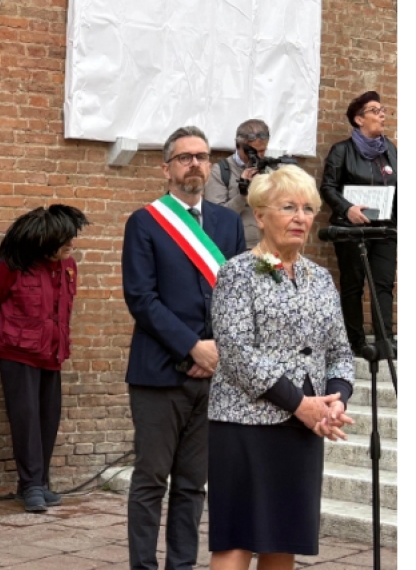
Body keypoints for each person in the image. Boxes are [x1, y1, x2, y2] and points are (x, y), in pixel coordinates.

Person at [208, 165, 355, 569]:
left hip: (301, 428)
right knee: (236, 540)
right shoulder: (238, 273)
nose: (300, 217)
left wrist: (336, 399)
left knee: (281, 540)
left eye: (308, 208)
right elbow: (237, 353)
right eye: (288, 207)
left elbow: (340, 352)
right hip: (245, 423)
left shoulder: (321, 279)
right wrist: (300, 404)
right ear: (259, 215)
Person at [122, 126, 246, 570]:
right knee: (151, 479)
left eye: (201, 156)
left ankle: (181, 565)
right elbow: (142, 298)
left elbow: (237, 297)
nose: (194, 163)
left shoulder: (228, 223)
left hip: (213, 377)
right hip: (159, 373)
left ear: (210, 166)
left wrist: (216, 354)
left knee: (193, 484)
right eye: (184, 157)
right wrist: (192, 348)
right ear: (167, 168)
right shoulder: (144, 223)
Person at [0, 205, 89, 513]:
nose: (71, 246)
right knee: (26, 421)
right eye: (65, 241)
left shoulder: (68, 267)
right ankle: (31, 487)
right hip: (18, 354)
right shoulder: (14, 266)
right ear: (47, 241)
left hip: (52, 355)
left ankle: (40, 480)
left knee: (47, 420)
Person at [319, 91, 397, 356]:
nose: (382, 115)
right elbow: (328, 188)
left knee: (383, 284)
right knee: (353, 285)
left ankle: (385, 341)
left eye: (383, 110)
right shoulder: (342, 150)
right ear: (359, 119)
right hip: (352, 231)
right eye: (375, 110)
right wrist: (347, 208)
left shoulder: (391, 151)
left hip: (385, 230)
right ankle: (355, 342)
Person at [205, 119, 271, 250]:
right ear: (237, 145)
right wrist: (242, 195)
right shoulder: (221, 170)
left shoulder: (270, 168)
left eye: (262, 151)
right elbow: (214, 217)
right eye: (252, 152)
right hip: (233, 247)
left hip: (266, 247)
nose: (258, 156)